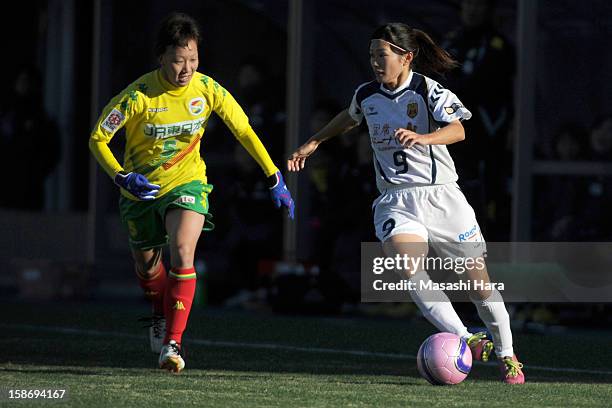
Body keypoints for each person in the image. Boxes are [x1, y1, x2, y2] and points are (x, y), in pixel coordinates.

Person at [288, 22, 524, 384]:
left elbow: (459, 129)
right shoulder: (367, 94)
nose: (375, 62)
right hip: (396, 200)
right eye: (371, 55)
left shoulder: (427, 90)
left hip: (443, 197)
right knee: (407, 265)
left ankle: (508, 354)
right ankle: (466, 337)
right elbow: (349, 118)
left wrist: (424, 137)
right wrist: (315, 141)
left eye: (381, 55)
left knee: (478, 284)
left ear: (406, 57)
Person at [89, 12, 294, 373]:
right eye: (178, 60)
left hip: (188, 183)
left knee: (183, 251)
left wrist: (273, 174)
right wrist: (123, 178)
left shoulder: (207, 89)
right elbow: (98, 139)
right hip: (141, 191)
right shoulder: (138, 96)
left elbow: (243, 130)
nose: (187, 69)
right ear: (161, 58)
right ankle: (158, 311)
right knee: (148, 267)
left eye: (193, 60)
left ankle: (173, 343)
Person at [442, 0, 515, 240]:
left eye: (479, 4)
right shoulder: (451, 40)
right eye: (468, 4)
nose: (472, 10)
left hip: (484, 138)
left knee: (484, 197)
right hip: (449, 136)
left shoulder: (497, 45)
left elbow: (482, 85)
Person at [0, 65, 60, 210]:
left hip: (31, 191)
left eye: (28, 82)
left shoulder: (43, 121)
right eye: (22, 82)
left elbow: (51, 154)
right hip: (7, 189)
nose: (24, 87)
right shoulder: (8, 119)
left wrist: (32, 174)